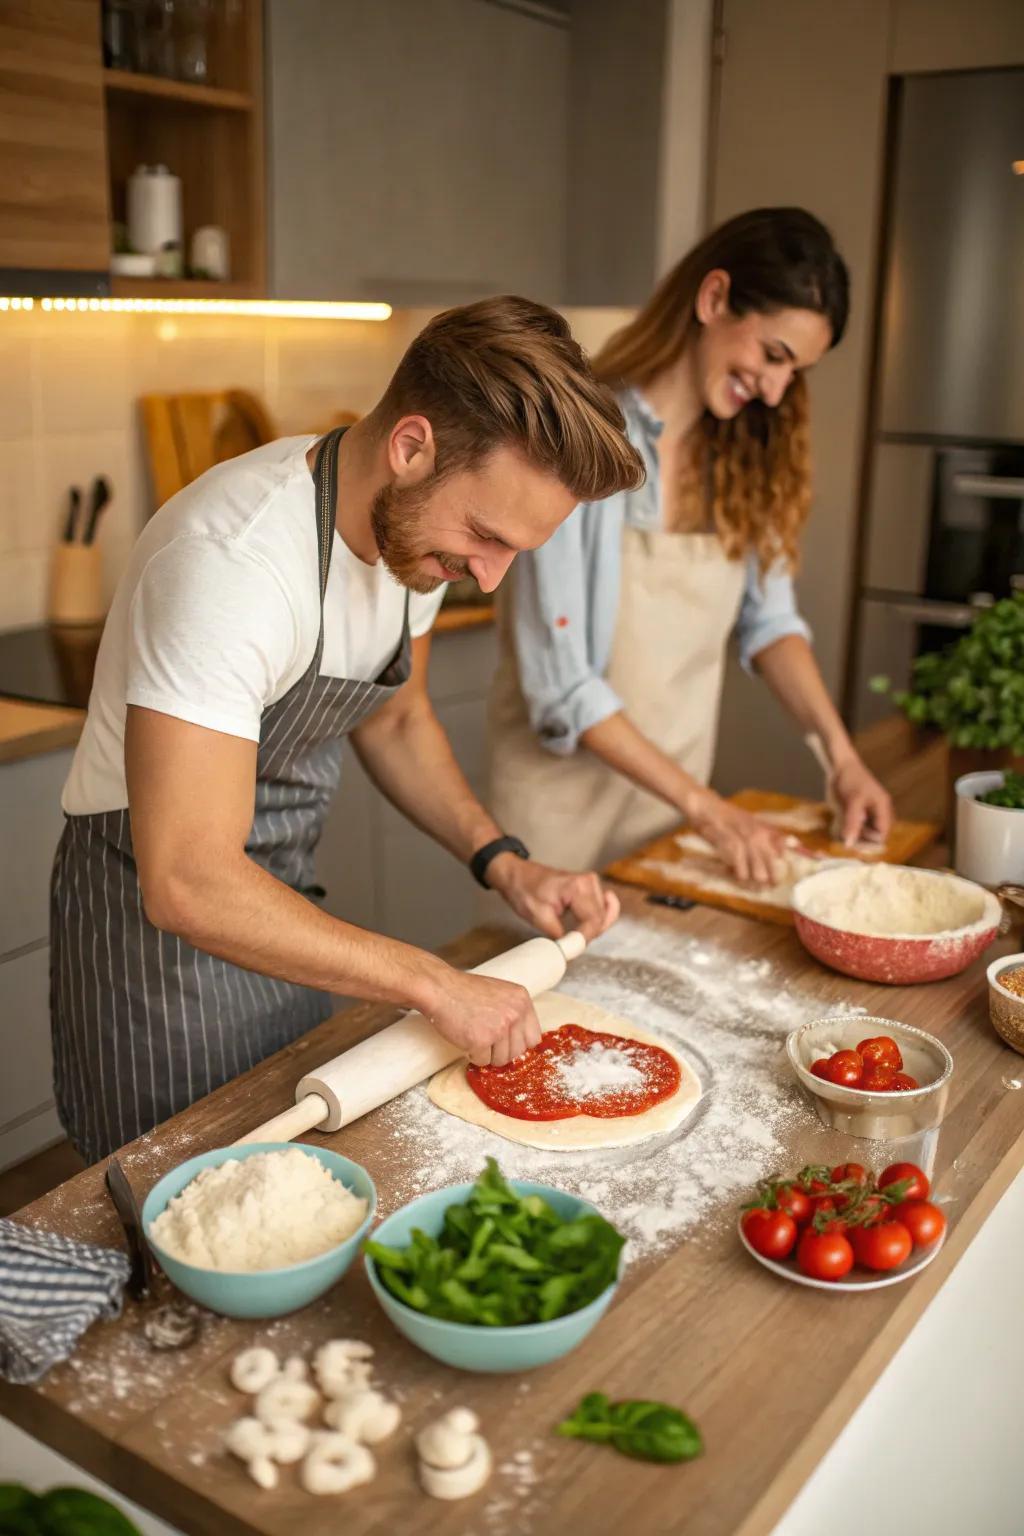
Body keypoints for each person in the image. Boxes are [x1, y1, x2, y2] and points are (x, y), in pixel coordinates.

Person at [50, 296, 645, 1165]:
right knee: (170, 1228)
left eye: (516, 548)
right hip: (156, 961)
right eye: (485, 536)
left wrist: (502, 860)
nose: (489, 573)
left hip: (286, 916)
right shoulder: (232, 564)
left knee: (287, 1189)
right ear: (411, 447)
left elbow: (397, 717)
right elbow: (186, 881)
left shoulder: (419, 537)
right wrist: (435, 984)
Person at [486, 208, 892, 883]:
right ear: (713, 299)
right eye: (772, 356)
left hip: (670, 812)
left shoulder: (748, 456)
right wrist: (711, 811)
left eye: (795, 372)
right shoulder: (575, 439)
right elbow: (562, 686)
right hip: (555, 821)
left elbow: (771, 624)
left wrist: (841, 758)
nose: (776, 388)